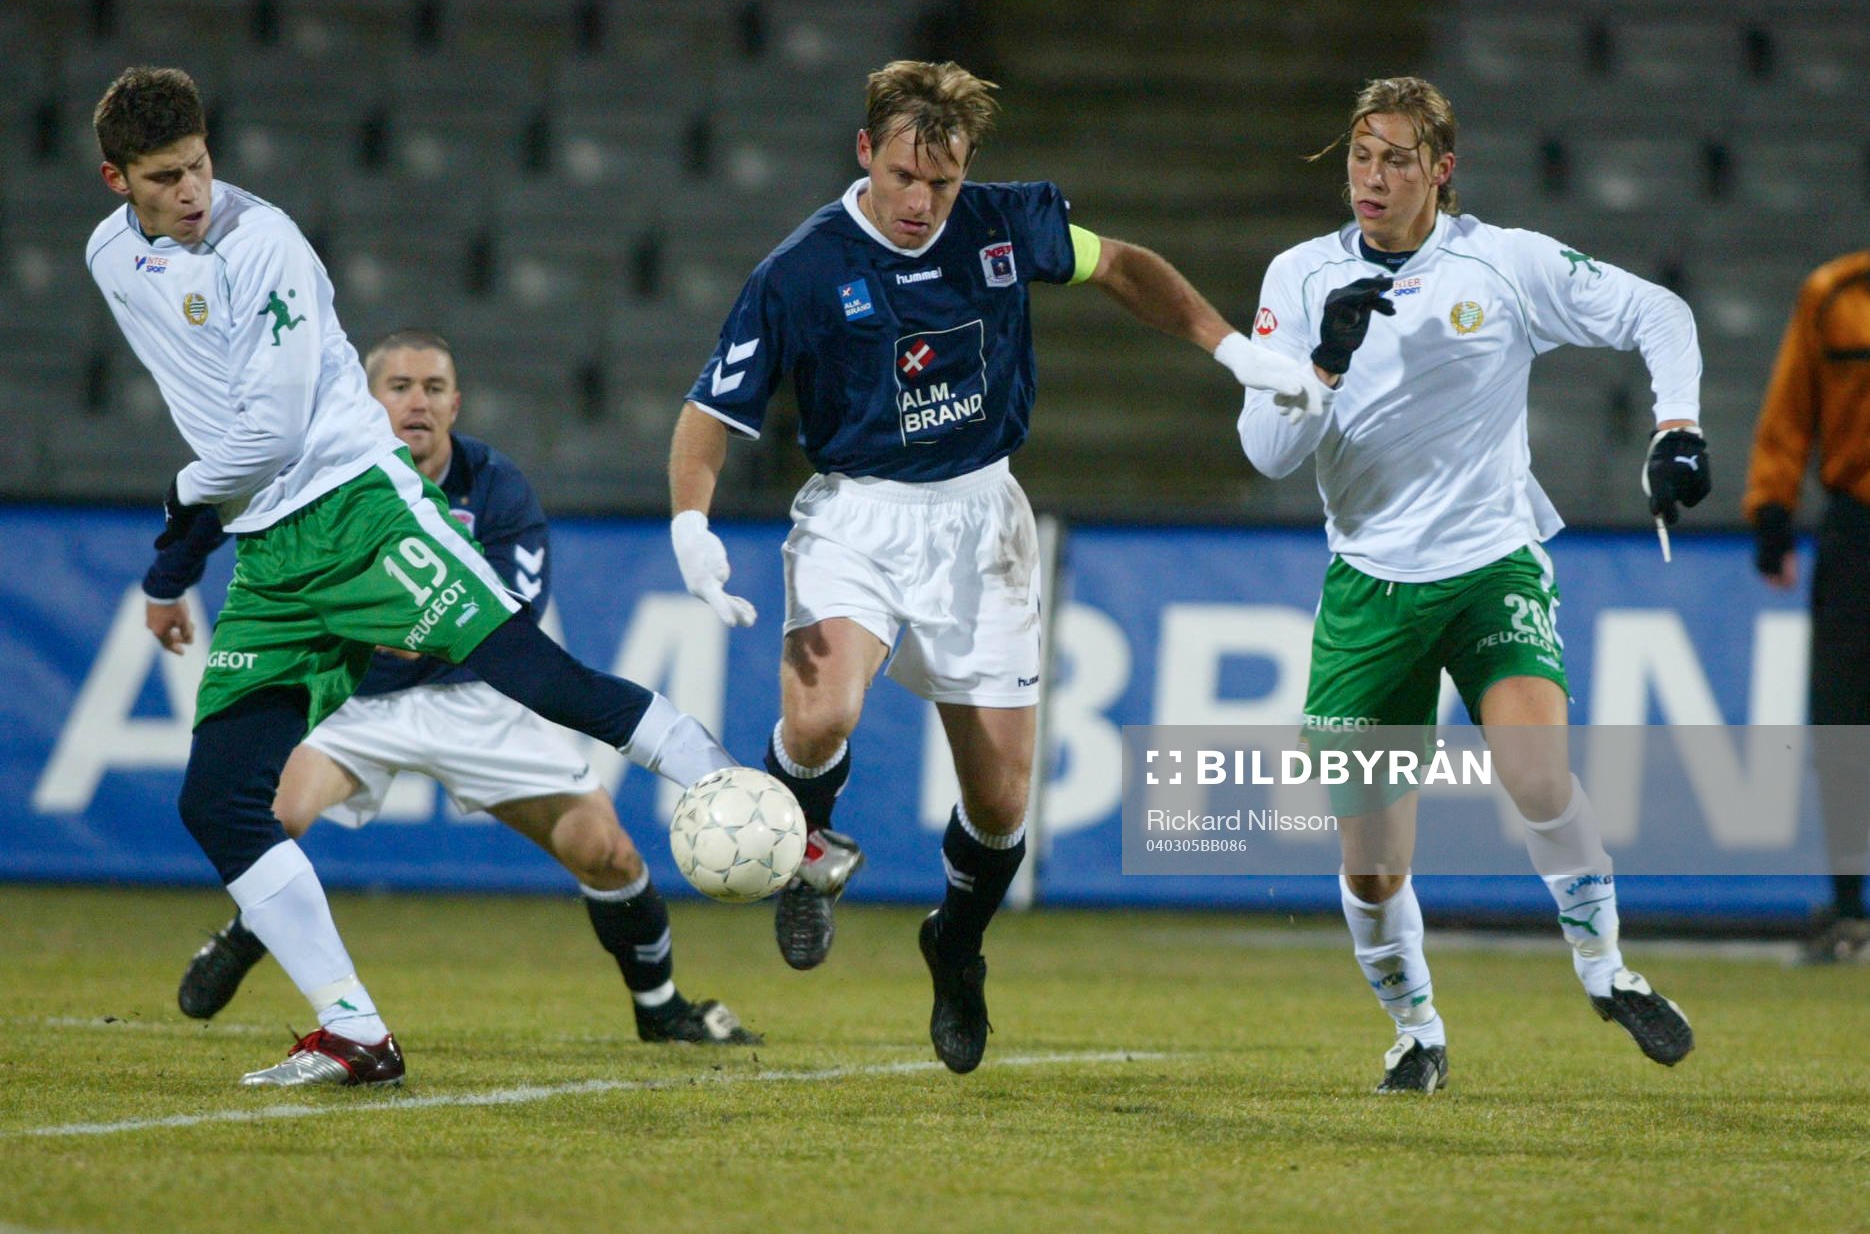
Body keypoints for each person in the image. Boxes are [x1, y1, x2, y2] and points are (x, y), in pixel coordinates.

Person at [665, 59, 1354, 1075]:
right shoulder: (800, 270)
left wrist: (1230, 350)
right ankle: (807, 848)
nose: (919, 201)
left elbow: (1124, 265)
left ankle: (955, 941)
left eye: (940, 182)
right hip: (857, 514)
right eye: (903, 174)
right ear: (866, 152)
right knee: (819, 717)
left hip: (982, 521)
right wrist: (692, 522)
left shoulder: (1000, 226)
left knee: (998, 803)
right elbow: (708, 415)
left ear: (965, 169)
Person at [87, 66, 739, 1088]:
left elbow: (268, 434)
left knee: (533, 672)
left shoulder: (269, 248)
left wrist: (171, 558)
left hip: (357, 506)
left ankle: (726, 784)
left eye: (201, 166)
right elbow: (208, 402)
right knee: (218, 799)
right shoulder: (107, 255)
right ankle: (354, 1029)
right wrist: (193, 547)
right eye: (165, 177)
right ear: (115, 179)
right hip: (270, 552)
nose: (193, 193)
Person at [1239, 76, 1707, 1093]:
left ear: (1440, 170)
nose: (1371, 175)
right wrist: (1320, 364)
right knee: (1372, 866)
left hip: (1493, 560)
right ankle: (1415, 1027)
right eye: (1360, 154)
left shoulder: (1506, 262)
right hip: (1369, 585)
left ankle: (1605, 968)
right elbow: (1267, 452)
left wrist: (1677, 427)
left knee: (1536, 772)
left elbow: (1659, 314)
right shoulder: (1299, 275)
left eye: (1396, 157)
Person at [148, 328, 757, 1045]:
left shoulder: (496, 485)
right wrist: (172, 578)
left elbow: (512, 619)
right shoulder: (320, 471)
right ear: (365, 399)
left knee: (609, 854)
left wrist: (402, 616)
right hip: (357, 704)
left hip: (476, 699)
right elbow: (232, 498)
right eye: (398, 387)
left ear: (457, 403)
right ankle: (249, 935)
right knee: (266, 818)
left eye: (433, 388)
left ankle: (660, 1007)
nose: (417, 403)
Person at [1745, 249, 1870, 964]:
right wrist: (1772, 508)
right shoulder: (1831, 293)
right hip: (1858, 531)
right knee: (1846, 724)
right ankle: (1851, 907)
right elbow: (1791, 410)